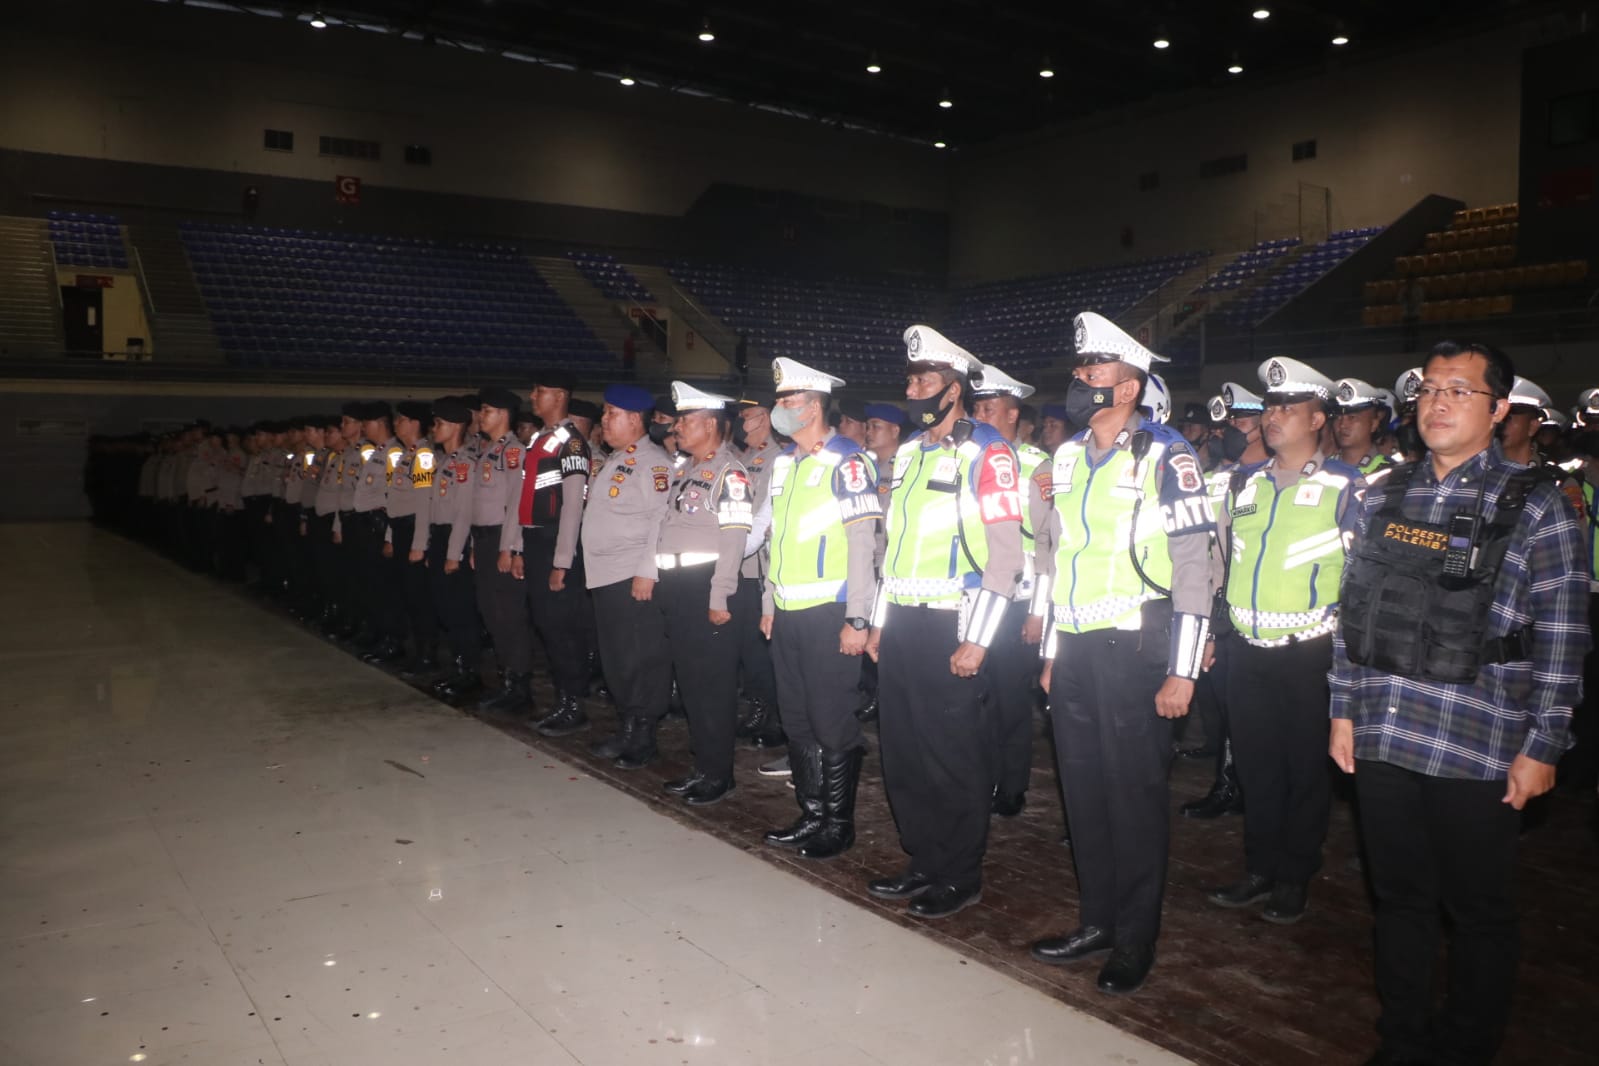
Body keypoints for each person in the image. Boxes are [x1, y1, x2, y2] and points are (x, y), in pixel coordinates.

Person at [1330, 341, 1588, 1066]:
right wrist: (1342, 707)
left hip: (1478, 742)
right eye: (1429, 390)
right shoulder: (1381, 495)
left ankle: (1467, 1047)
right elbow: (1352, 612)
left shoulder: (1537, 504)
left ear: (1498, 408)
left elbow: (1563, 635)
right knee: (1399, 900)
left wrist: (1545, 743)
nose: (1437, 403)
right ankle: (1401, 1039)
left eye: (1458, 390)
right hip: (1382, 731)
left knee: (1478, 913)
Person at [1029, 312, 1213, 995]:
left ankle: (1135, 937)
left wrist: (1182, 670)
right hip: (1076, 646)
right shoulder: (1067, 457)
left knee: (1133, 797)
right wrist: (1052, 651)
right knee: (1082, 791)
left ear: (1130, 387)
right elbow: (1059, 558)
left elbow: (1194, 565)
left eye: (1096, 369)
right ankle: (1096, 920)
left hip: (1138, 643)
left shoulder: (1168, 456)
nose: (1082, 379)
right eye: (1079, 369)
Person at [864, 325, 1024, 921]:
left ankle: (959, 873)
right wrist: (878, 622)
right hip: (903, 621)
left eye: (923, 380)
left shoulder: (989, 452)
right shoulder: (908, 452)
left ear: (953, 389)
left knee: (952, 755)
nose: (912, 391)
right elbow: (893, 549)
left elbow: (1006, 557)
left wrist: (978, 639)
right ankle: (924, 859)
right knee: (904, 751)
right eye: (909, 380)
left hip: (954, 621)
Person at [1206, 357, 1363, 925]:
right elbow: (1222, 562)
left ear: (1317, 419)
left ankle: (1295, 872)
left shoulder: (1345, 487)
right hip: (1246, 647)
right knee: (1256, 765)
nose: (1273, 417)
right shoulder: (1244, 484)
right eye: (1270, 407)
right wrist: (1214, 631)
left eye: (1288, 408)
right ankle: (1259, 866)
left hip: (1309, 653)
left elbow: (1361, 579)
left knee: (1304, 770)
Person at [759, 357, 881, 858]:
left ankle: (838, 823)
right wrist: (768, 600)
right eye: (779, 400)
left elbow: (863, 544)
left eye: (788, 401)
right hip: (787, 608)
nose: (780, 408)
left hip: (830, 610)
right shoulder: (784, 463)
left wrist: (858, 617)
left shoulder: (848, 461)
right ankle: (811, 814)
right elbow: (776, 540)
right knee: (797, 718)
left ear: (813, 407)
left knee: (832, 720)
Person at [651, 382, 754, 806]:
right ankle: (703, 765)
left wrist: (720, 595)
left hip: (707, 586)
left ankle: (719, 774)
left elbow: (734, 538)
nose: (677, 428)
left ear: (710, 425)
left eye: (686, 421)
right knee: (692, 682)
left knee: (712, 685)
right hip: (678, 586)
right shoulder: (685, 469)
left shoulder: (730, 473)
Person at [1180, 383, 1268, 818]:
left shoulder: (1275, 477)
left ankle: (1240, 786)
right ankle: (1230, 782)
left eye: (1242, 421)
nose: (1229, 430)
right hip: (1219, 607)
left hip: (1260, 613)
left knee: (1249, 713)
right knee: (1224, 704)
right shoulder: (1217, 479)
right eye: (1227, 422)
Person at [969, 362, 1050, 817]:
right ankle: (982, 774)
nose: (980, 416)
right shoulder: (969, 457)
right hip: (974, 596)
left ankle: (1012, 783)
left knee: (1010, 697)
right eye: (977, 408)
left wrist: (1038, 610)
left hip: (1017, 600)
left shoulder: (1037, 467)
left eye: (990, 408)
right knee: (976, 697)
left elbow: (1048, 545)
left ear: (1013, 413)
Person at [583, 386, 675, 769]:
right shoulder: (617, 459)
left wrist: (647, 569)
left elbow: (661, 518)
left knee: (641, 657)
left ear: (635, 419)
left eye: (611, 414)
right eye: (604, 413)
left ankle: (643, 736)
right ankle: (627, 727)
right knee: (618, 658)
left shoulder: (653, 462)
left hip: (631, 574)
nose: (604, 420)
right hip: (605, 574)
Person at [508, 371, 593, 737]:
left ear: (559, 396)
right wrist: (517, 547)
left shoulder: (570, 443)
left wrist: (562, 561)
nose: (532, 396)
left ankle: (574, 705)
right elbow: (525, 498)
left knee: (562, 628)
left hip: (557, 541)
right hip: (536, 542)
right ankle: (562, 700)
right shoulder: (540, 439)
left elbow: (573, 506)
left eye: (540, 391)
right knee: (546, 624)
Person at [471, 387, 537, 716]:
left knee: (509, 616)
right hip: (485, 540)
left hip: (502, 539)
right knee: (492, 613)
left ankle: (520, 688)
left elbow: (517, 505)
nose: (480, 417)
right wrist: (475, 546)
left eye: (486, 410)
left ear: (503, 414)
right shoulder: (490, 451)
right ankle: (506, 680)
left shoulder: (514, 452)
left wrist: (511, 548)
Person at [732, 393, 784, 749]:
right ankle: (758, 705)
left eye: (747, 416)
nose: (741, 422)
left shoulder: (777, 459)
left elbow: (762, 519)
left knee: (761, 649)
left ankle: (769, 712)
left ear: (764, 418)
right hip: (741, 566)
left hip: (758, 567)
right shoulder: (745, 458)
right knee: (749, 646)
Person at [426, 397, 485, 700]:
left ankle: (469, 673)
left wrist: (453, 554)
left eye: (439, 423)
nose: (433, 428)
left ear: (456, 426)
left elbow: (464, 513)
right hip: (440, 537)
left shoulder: (465, 464)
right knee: (445, 608)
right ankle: (458, 667)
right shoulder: (444, 461)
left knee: (460, 610)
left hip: (456, 540)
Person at [381, 401, 437, 672]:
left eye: (401, 419)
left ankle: (427, 655)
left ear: (415, 423)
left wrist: (419, 543)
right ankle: (416, 650)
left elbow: (424, 502)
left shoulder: (423, 455)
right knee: (406, 594)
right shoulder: (406, 454)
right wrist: (391, 535)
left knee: (418, 597)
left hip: (415, 530)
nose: (396, 424)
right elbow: (394, 500)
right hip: (401, 528)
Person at [1334, 379, 1397, 477]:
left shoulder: (1390, 471)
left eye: (1352, 417)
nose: (1342, 425)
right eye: (1338, 417)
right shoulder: (1322, 469)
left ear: (1373, 424)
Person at [1499, 376, 1552, 467]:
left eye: (1508, 418)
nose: (1501, 423)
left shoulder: (1548, 473)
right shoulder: (1478, 468)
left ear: (1532, 427)